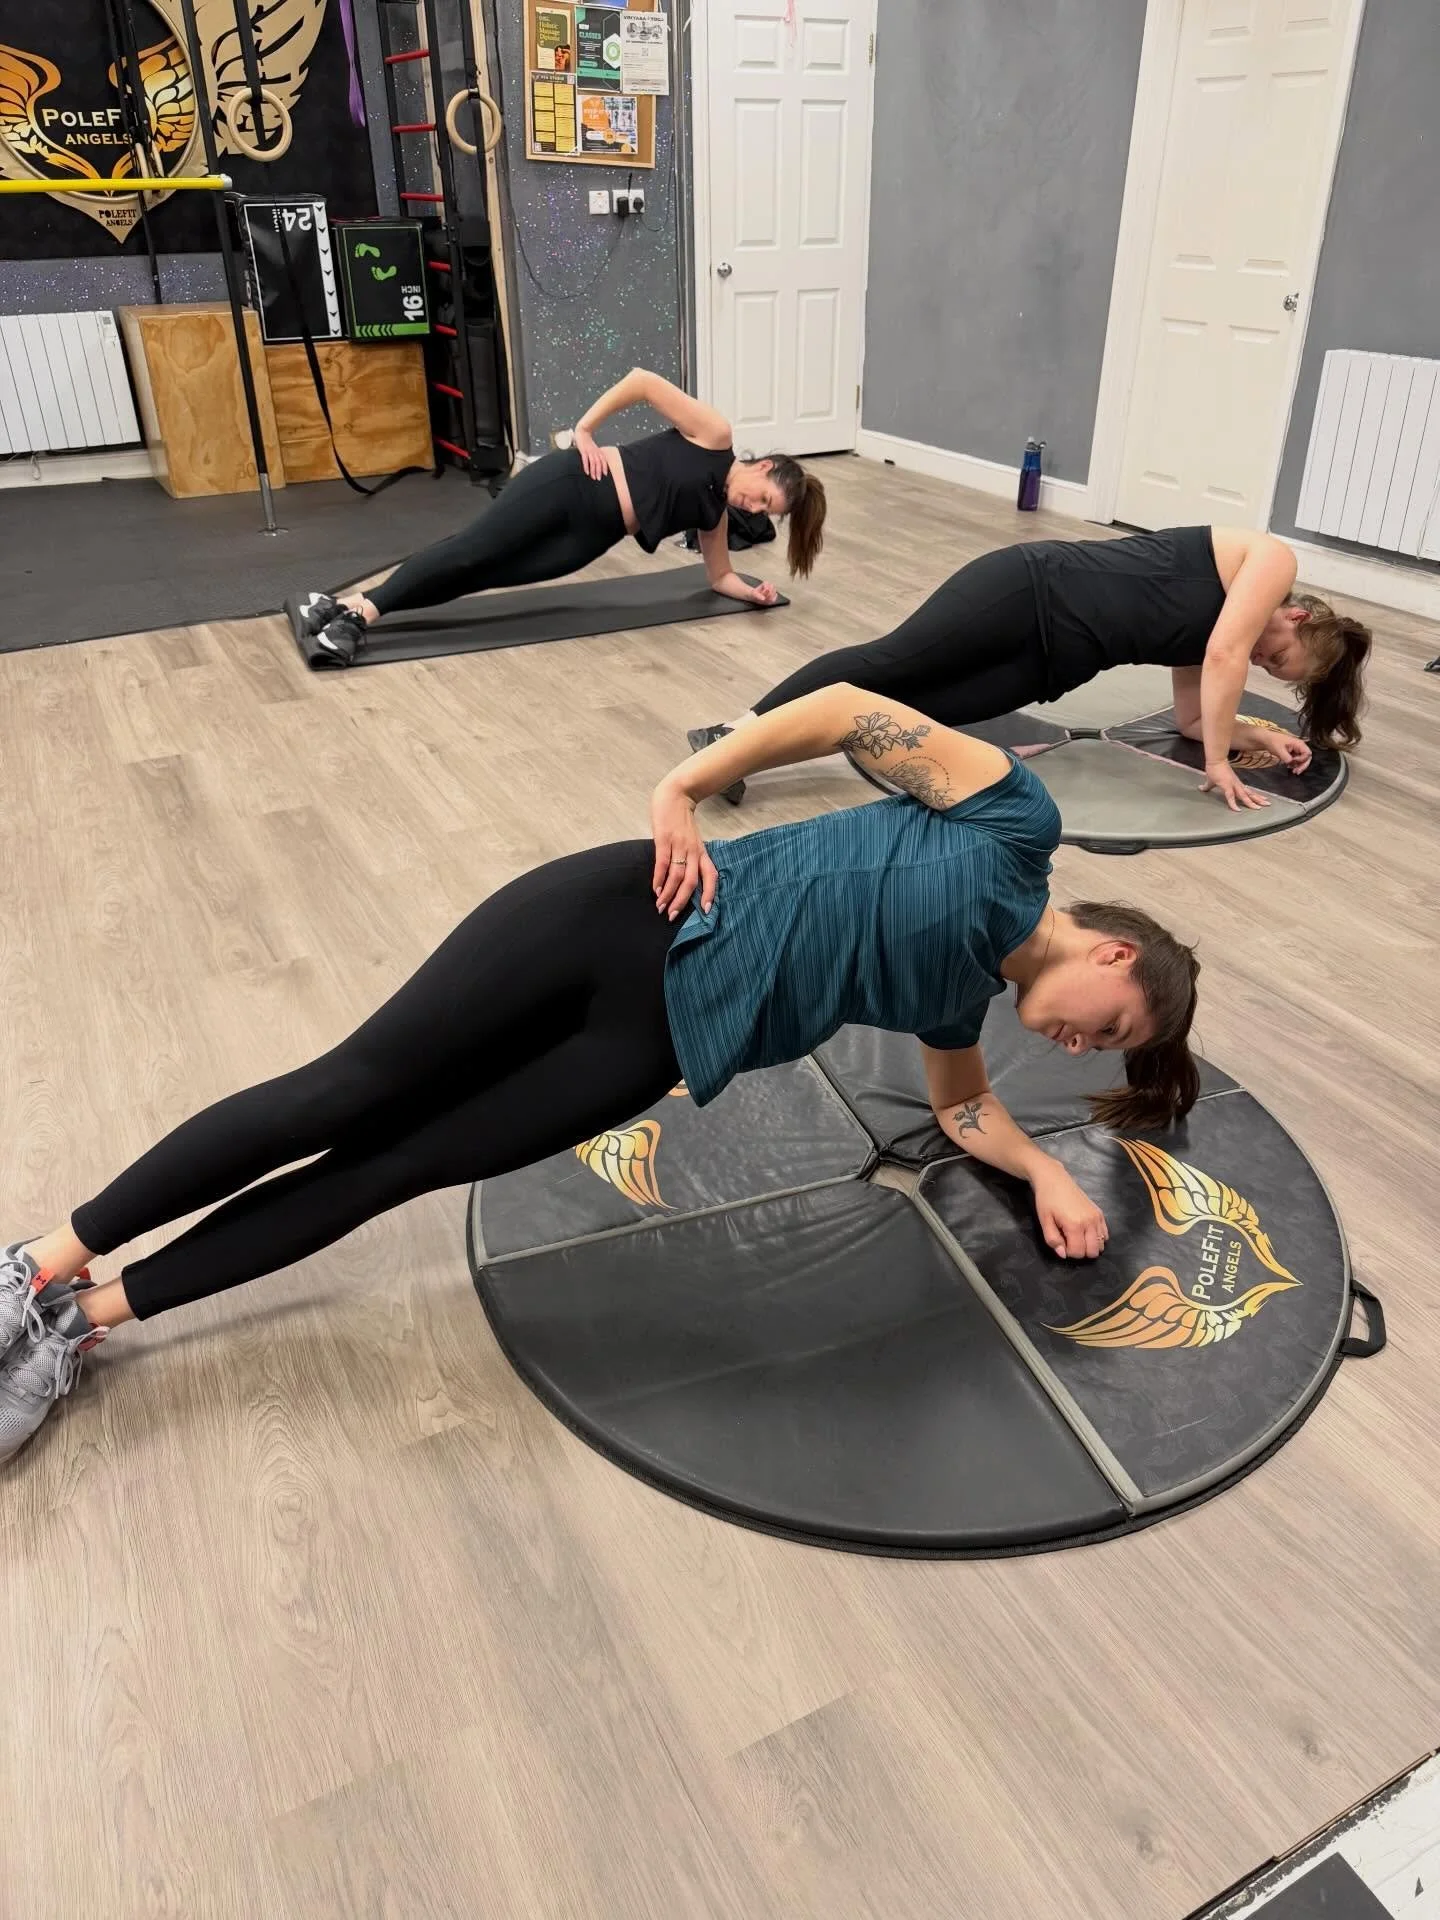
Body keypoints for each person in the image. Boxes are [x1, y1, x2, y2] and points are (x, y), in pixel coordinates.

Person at [0, 683, 1201, 1464]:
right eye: (1110, 1025)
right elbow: (843, 712)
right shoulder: (1014, 827)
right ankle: (37, 1263)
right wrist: (681, 787)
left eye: (1101, 1055)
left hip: (641, 1052)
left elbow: (963, 1104)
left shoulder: (961, 1001)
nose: (1081, 1047)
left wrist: (1042, 1172)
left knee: (394, 1169)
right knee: (347, 1091)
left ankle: (82, 1324)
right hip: (620, 915)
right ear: (1110, 951)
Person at [688, 525, 1372, 808]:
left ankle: (748, 753)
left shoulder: (1220, 634)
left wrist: (1254, 736)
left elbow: (1194, 721)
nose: (1260, 658)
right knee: (891, 665)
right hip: (1029, 589)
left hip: (1053, 662)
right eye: (1276, 654)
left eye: (1270, 670)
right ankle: (730, 735)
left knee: (910, 716)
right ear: (1298, 615)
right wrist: (1221, 768)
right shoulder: (1273, 560)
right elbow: (1228, 657)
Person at [292, 367, 828, 665]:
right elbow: (642, 382)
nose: (753, 508)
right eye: (763, 497)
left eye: (765, 512)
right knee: (470, 550)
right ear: (765, 465)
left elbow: (720, 575)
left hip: (590, 537)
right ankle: (359, 618)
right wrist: (586, 430)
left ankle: (337, 605)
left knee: (482, 573)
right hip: (573, 484)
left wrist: (752, 594)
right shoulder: (715, 435)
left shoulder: (714, 515)